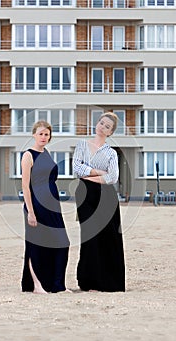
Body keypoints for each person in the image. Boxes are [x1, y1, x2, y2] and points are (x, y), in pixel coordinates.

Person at [73, 112, 125, 292]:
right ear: (97, 123)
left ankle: (108, 282)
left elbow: (113, 177)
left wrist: (91, 176)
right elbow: (77, 168)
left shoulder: (111, 152)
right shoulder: (82, 145)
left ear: (110, 132)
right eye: (101, 123)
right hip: (85, 196)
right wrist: (99, 172)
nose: (102, 127)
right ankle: (89, 282)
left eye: (107, 126)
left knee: (109, 237)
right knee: (90, 236)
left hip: (107, 196)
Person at [21, 120, 70, 294]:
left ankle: (58, 285)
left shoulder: (47, 153)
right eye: (40, 133)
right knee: (36, 245)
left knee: (62, 243)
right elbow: (25, 186)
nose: (43, 137)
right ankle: (37, 286)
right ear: (34, 134)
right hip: (36, 205)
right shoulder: (28, 155)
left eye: (46, 134)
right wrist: (31, 212)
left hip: (52, 206)